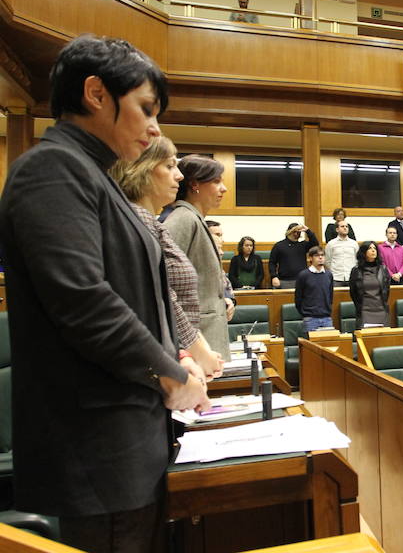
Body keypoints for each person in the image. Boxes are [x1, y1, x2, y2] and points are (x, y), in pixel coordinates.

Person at [0, 35, 210, 552]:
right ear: (96, 93)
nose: (154, 127)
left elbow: (134, 291)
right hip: (96, 449)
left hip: (126, 441)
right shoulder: (51, 170)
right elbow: (83, 302)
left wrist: (174, 351)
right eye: (145, 109)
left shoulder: (96, 175)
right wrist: (169, 370)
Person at [109, 136, 224, 380]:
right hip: (162, 362)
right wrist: (194, 349)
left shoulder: (150, 220)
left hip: (180, 354)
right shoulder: (139, 221)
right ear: (142, 170)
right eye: (170, 166)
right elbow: (161, 294)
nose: (179, 175)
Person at [164, 154, 230, 356]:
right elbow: (163, 277)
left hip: (207, 333)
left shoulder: (194, 219)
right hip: (195, 338)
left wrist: (224, 299)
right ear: (194, 185)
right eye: (216, 181)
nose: (224, 188)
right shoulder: (183, 219)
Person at [349, 241, 390, 328]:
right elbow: (353, 293)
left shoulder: (383, 269)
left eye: (375, 248)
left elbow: (386, 290)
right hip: (365, 310)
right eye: (370, 248)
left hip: (381, 309)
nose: (373, 251)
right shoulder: (356, 271)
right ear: (364, 252)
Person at [294, 246, 334, 330]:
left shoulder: (328, 274)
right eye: (317, 255)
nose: (320, 257)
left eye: (322, 255)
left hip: (326, 318)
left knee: (330, 342)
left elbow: (330, 296)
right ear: (310, 258)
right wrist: (305, 313)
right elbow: (298, 298)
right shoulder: (303, 275)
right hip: (310, 319)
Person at [269, 222, 318, 290]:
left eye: (298, 232)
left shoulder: (302, 245)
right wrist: (274, 276)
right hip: (285, 281)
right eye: (294, 231)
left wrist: (307, 231)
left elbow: (315, 244)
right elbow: (272, 263)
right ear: (289, 232)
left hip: (302, 280)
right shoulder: (279, 246)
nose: (296, 234)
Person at [325, 219, 359, 286]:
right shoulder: (331, 244)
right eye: (342, 226)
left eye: (346, 226)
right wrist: (333, 270)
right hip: (336, 278)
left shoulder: (354, 243)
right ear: (337, 229)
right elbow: (327, 260)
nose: (345, 228)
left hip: (351, 277)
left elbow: (357, 259)